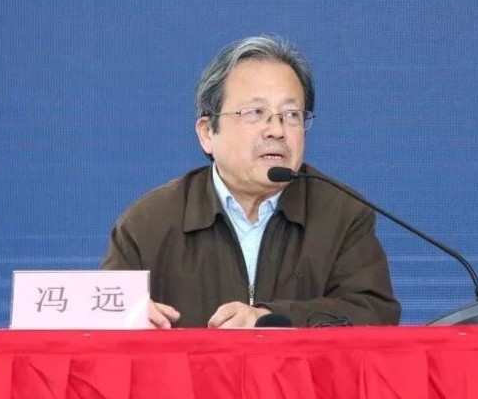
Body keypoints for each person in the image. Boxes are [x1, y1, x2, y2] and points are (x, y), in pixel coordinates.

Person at [101, 35, 400, 328]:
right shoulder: (148, 224)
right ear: (207, 132)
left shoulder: (343, 214)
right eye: (256, 113)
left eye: (291, 114)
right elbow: (98, 314)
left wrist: (270, 320)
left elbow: (374, 313)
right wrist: (123, 321)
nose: (277, 130)